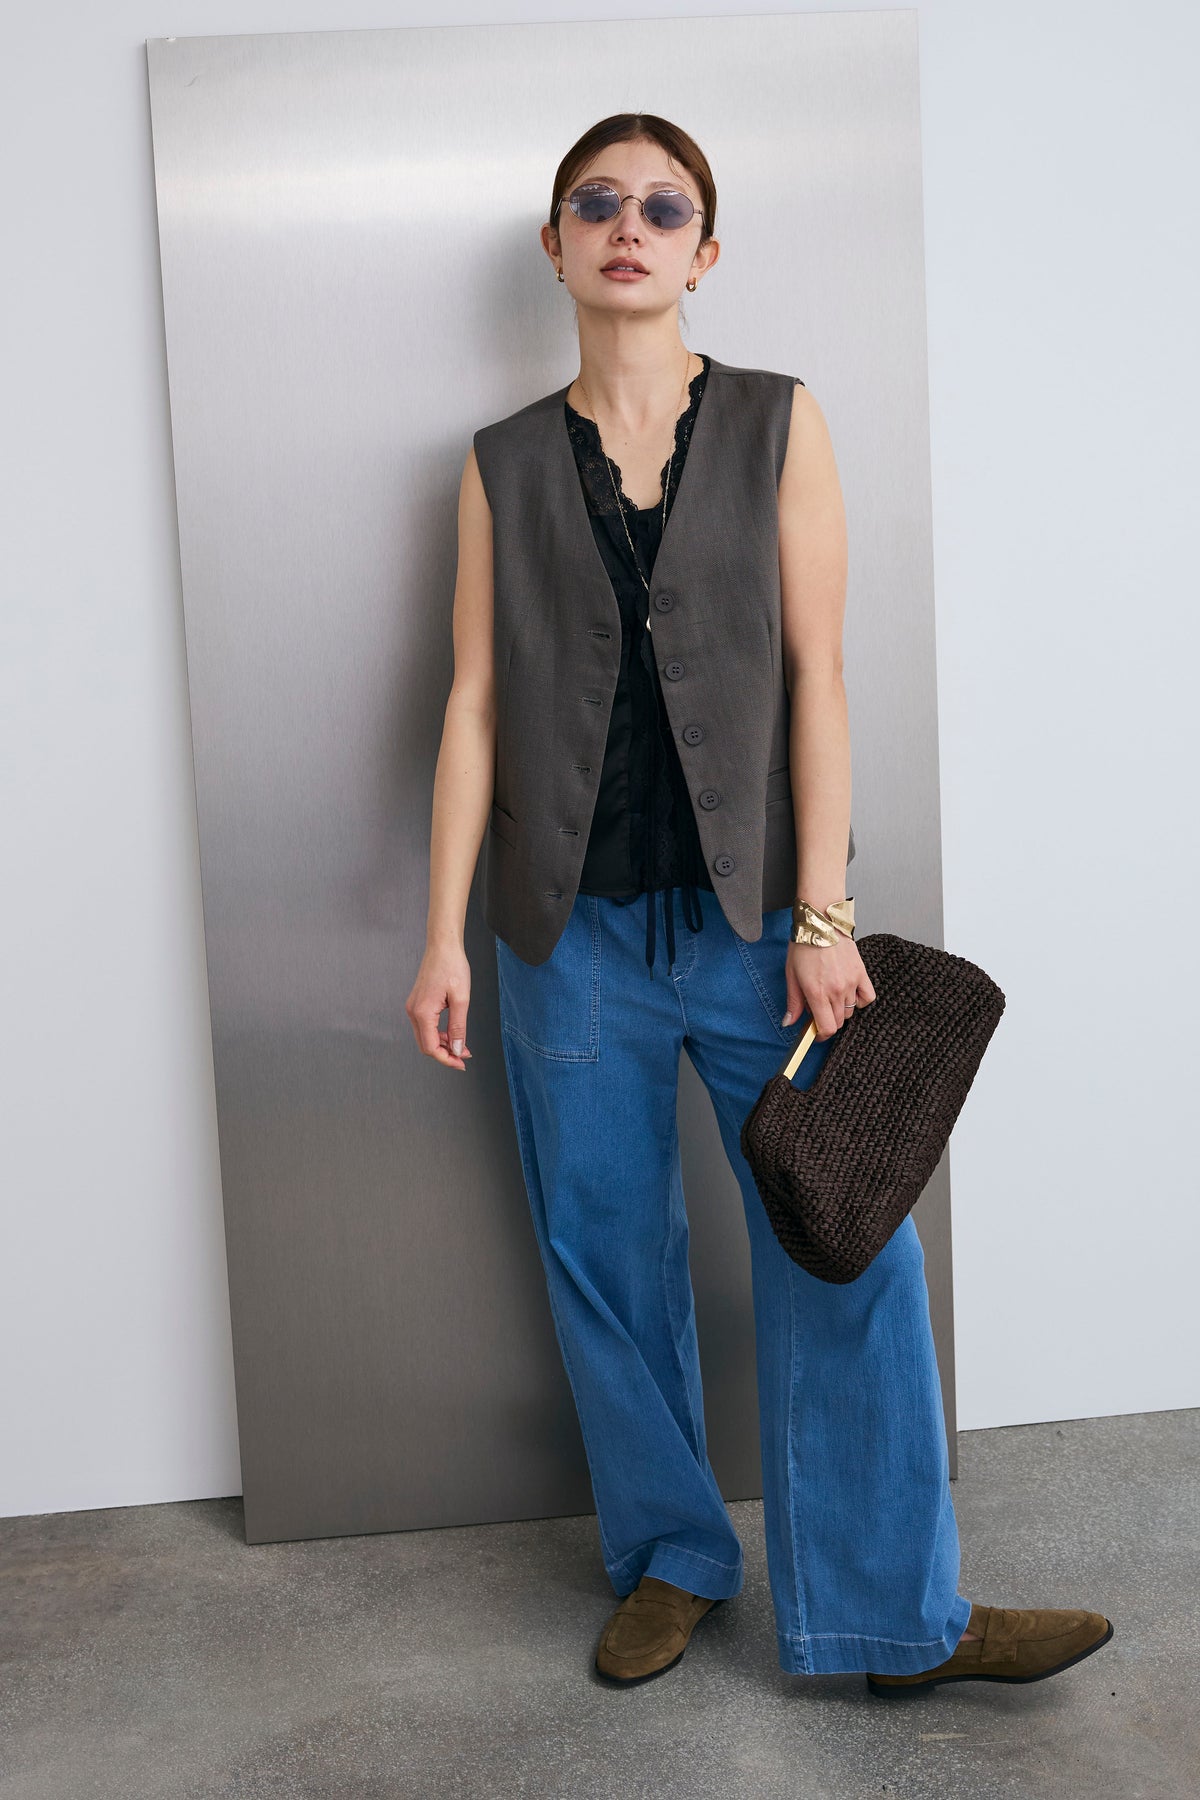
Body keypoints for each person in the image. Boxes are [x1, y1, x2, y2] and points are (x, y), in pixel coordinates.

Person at [406, 112, 1113, 1694]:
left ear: (705, 252)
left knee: (846, 1242)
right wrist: (443, 935)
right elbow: (471, 705)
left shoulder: (781, 422)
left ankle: (893, 1619)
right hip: (568, 936)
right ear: (556, 246)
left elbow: (818, 674)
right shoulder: (502, 463)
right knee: (606, 1258)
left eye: (664, 207)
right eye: (599, 203)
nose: (630, 226)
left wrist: (824, 913)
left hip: (757, 936)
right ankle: (674, 1558)